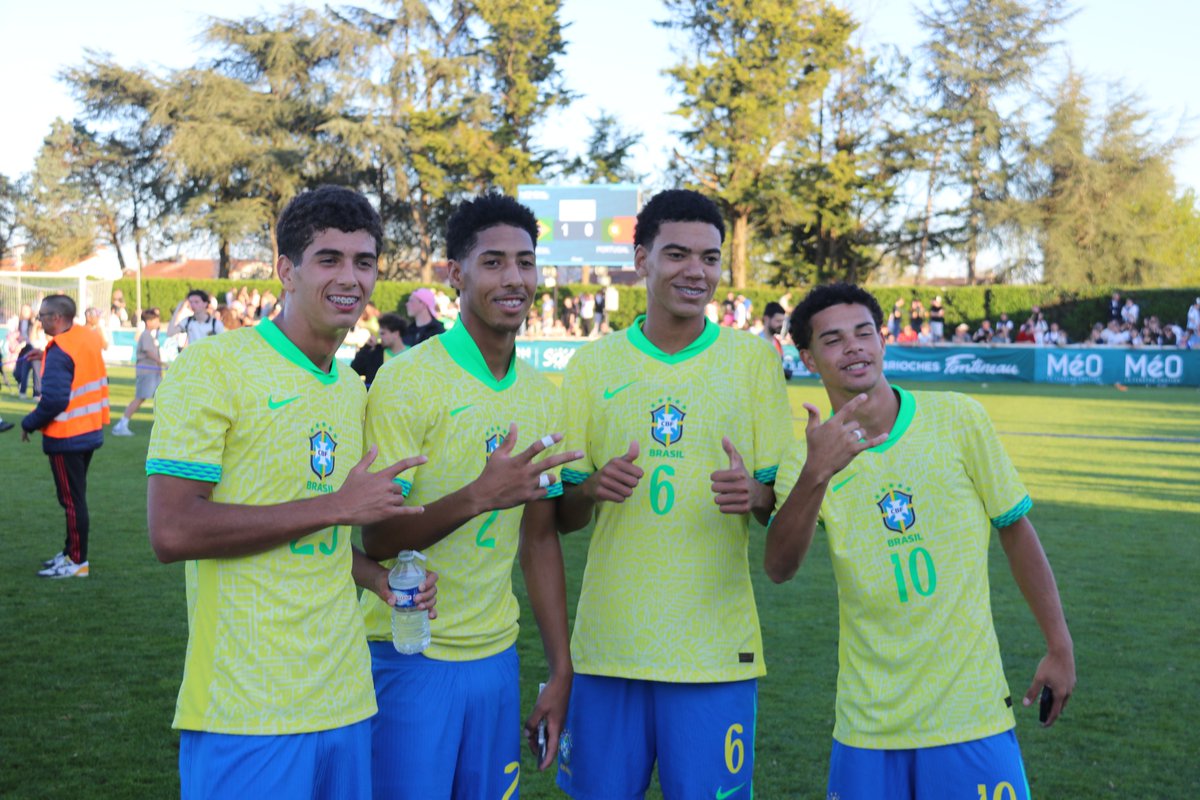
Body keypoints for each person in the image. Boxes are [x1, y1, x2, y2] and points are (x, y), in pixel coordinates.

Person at [145, 186, 437, 799]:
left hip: (345, 696)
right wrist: (337, 506)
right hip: (247, 707)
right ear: (285, 269)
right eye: (328, 259)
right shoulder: (214, 367)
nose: (349, 278)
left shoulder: (350, 389)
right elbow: (173, 531)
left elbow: (321, 536)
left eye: (363, 262)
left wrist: (376, 578)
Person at [765, 282, 1076, 800]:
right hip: (867, 720)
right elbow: (779, 566)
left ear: (883, 342)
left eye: (865, 333)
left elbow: (1015, 529)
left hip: (970, 712)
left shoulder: (959, 419)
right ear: (809, 359)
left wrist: (1059, 644)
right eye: (835, 340)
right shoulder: (803, 455)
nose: (855, 348)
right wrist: (816, 473)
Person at [555, 189, 793, 799]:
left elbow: (777, 504)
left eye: (710, 259)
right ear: (641, 259)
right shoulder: (592, 366)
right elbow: (563, 515)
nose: (696, 271)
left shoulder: (753, 362)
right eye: (678, 254)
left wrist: (756, 496)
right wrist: (593, 489)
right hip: (610, 647)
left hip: (715, 650)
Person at [360, 193, 581, 797]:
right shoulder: (406, 379)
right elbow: (374, 538)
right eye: (493, 262)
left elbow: (538, 541)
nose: (514, 279)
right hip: (407, 654)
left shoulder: (543, 392)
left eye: (526, 262)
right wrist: (478, 496)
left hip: (497, 658)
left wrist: (560, 670)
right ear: (456, 275)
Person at [21, 295, 109, 578]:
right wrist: (45, 355)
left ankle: (77, 562)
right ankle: (72, 553)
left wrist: (29, 422)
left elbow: (55, 400)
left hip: (68, 435)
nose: (40, 319)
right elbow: (77, 364)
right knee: (75, 499)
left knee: (72, 502)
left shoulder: (60, 351)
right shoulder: (85, 335)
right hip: (88, 430)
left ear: (57, 318)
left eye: (43, 315)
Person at [112, 308, 165, 436]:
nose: (158, 322)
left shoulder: (151, 334)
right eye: (156, 319)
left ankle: (163, 424)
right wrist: (161, 362)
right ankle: (122, 424)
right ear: (149, 321)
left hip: (153, 371)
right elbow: (148, 352)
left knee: (161, 397)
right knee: (140, 397)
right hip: (147, 371)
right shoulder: (146, 334)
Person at [349, 312, 407, 388]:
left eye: (383, 333)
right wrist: (367, 347)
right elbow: (355, 369)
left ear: (396, 334)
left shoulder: (413, 353)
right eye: (379, 334)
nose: (380, 337)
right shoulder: (375, 353)